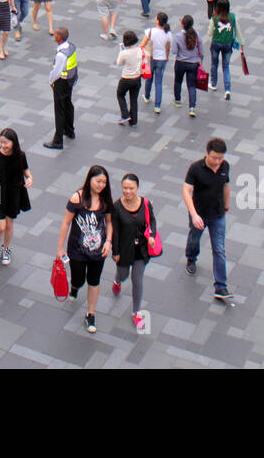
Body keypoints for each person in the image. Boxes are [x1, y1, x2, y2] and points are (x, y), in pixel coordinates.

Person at [55, 164, 113, 334]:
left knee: (94, 281)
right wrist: (60, 247)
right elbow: (66, 223)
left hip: (98, 250)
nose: (101, 185)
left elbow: (109, 222)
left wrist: (108, 241)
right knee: (79, 278)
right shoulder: (77, 198)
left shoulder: (105, 201)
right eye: (98, 181)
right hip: (77, 250)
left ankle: (90, 313)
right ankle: (75, 286)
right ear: (89, 180)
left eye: (104, 182)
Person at [183, 137, 232, 298]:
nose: (218, 161)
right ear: (207, 154)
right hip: (199, 214)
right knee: (194, 239)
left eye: (220, 158)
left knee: (219, 249)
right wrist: (194, 215)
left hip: (218, 215)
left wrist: (226, 204)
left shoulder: (225, 166)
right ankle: (191, 257)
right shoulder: (196, 168)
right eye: (214, 157)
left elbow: (226, 185)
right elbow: (186, 191)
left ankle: (220, 286)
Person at [111, 173, 156, 332]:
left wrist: (151, 236)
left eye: (131, 188)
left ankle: (136, 312)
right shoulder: (116, 207)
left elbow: (152, 222)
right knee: (123, 275)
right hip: (124, 250)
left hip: (141, 250)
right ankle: (117, 280)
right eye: (125, 188)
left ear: (137, 188)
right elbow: (115, 231)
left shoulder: (145, 203)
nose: (128, 191)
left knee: (137, 280)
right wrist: (115, 251)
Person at [0, 127, 33, 268]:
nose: (3, 146)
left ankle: (6, 249)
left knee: (9, 224)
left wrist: (30, 178)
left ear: (13, 142)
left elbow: (26, 171)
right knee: (0, 226)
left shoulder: (20, 155)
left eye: (6, 143)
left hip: (13, 191)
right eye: (1, 142)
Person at [43, 27, 78, 150]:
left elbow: (56, 71)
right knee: (68, 104)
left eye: (56, 34)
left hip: (61, 83)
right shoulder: (71, 47)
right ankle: (69, 130)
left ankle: (58, 140)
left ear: (60, 38)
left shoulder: (61, 54)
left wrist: (51, 82)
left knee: (59, 110)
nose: (55, 36)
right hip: (70, 80)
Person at [207, 0, 240, 101]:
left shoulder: (214, 18)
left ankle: (213, 83)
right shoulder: (232, 17)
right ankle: (227, 90)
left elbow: (210, 33)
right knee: (226, 67)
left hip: (216, 44)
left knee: (214, 64)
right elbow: (237, 31)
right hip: (228, 44)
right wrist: (241, 43)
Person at [171, 14, 203, 118]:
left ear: (182, 24)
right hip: (193, 64)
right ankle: (192, 108)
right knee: (191, 86)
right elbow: (201, 52)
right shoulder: (197, 35)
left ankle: (177, 100)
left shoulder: (177, 36)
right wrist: (199, 61)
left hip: (180, 62)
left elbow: (174, 51)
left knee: (178, 81)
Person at [141, 12, 171, 115]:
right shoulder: (168, 33)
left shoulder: (150, 31)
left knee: (149, 78)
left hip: (152, 58)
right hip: (162, 60)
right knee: (159, 82)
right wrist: (166, 57)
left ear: (157, 21)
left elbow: (142, 45)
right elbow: (167, 47)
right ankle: (157, 106)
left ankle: (147, 96)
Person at [115, 30, 144, 127]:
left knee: (120, 94)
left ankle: (125, 114)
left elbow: (119, 63)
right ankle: (134, 120)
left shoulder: (124, 53)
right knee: (134, 99)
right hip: (137, 78)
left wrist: (121, 51)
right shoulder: (140, 50)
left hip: (126, 78)